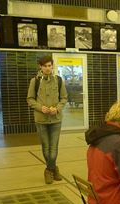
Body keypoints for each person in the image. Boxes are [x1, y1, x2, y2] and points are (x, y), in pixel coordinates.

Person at [27, 55, 68, 184]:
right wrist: (40, 108)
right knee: (46, 147)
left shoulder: (59, 80)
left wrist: (58, 108)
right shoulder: (35, 81)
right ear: (41, 67)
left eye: (49, 65)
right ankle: (53, 169)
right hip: (41, 120)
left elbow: (64, 98)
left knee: (53, 148)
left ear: (52, 66)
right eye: (45, 66)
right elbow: (30, 99)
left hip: (56, 119)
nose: (48, 68)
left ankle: (49, 170)